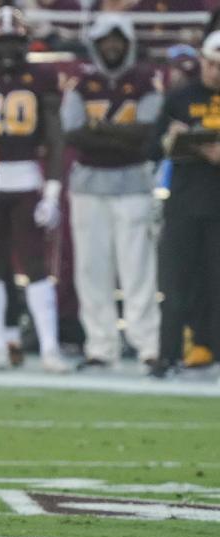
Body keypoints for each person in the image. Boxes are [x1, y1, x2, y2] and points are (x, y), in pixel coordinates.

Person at [60, 14, 162, 372]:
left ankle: (147, 345)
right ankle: (101, 346)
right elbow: (71, 133)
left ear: (130, 42)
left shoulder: (146, 80)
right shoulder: (81, 84)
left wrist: (101, 131)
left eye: (118, 39)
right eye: (106, 40)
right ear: (95, 43)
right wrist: (122, 134)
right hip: (89, 185)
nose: (112, 46)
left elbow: (147, 136)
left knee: (138, 269)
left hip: (134, 182)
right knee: (91, 270)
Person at [0, 7, 69, 372]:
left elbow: (55, 137)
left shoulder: (41, 76)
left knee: (35, 265)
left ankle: (49, 347)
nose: (9, 50)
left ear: (26, 42)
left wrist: (52, 192)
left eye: (15, 42)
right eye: (3, 42)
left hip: (27, 178)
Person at [147, 30, 220, 379]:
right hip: (184, 203)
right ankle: (168, 355)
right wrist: (172, 139)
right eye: (211, 64)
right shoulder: (180, 98)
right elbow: (150, 148)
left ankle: (211, 352)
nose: (216, 72)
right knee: (174, 285)